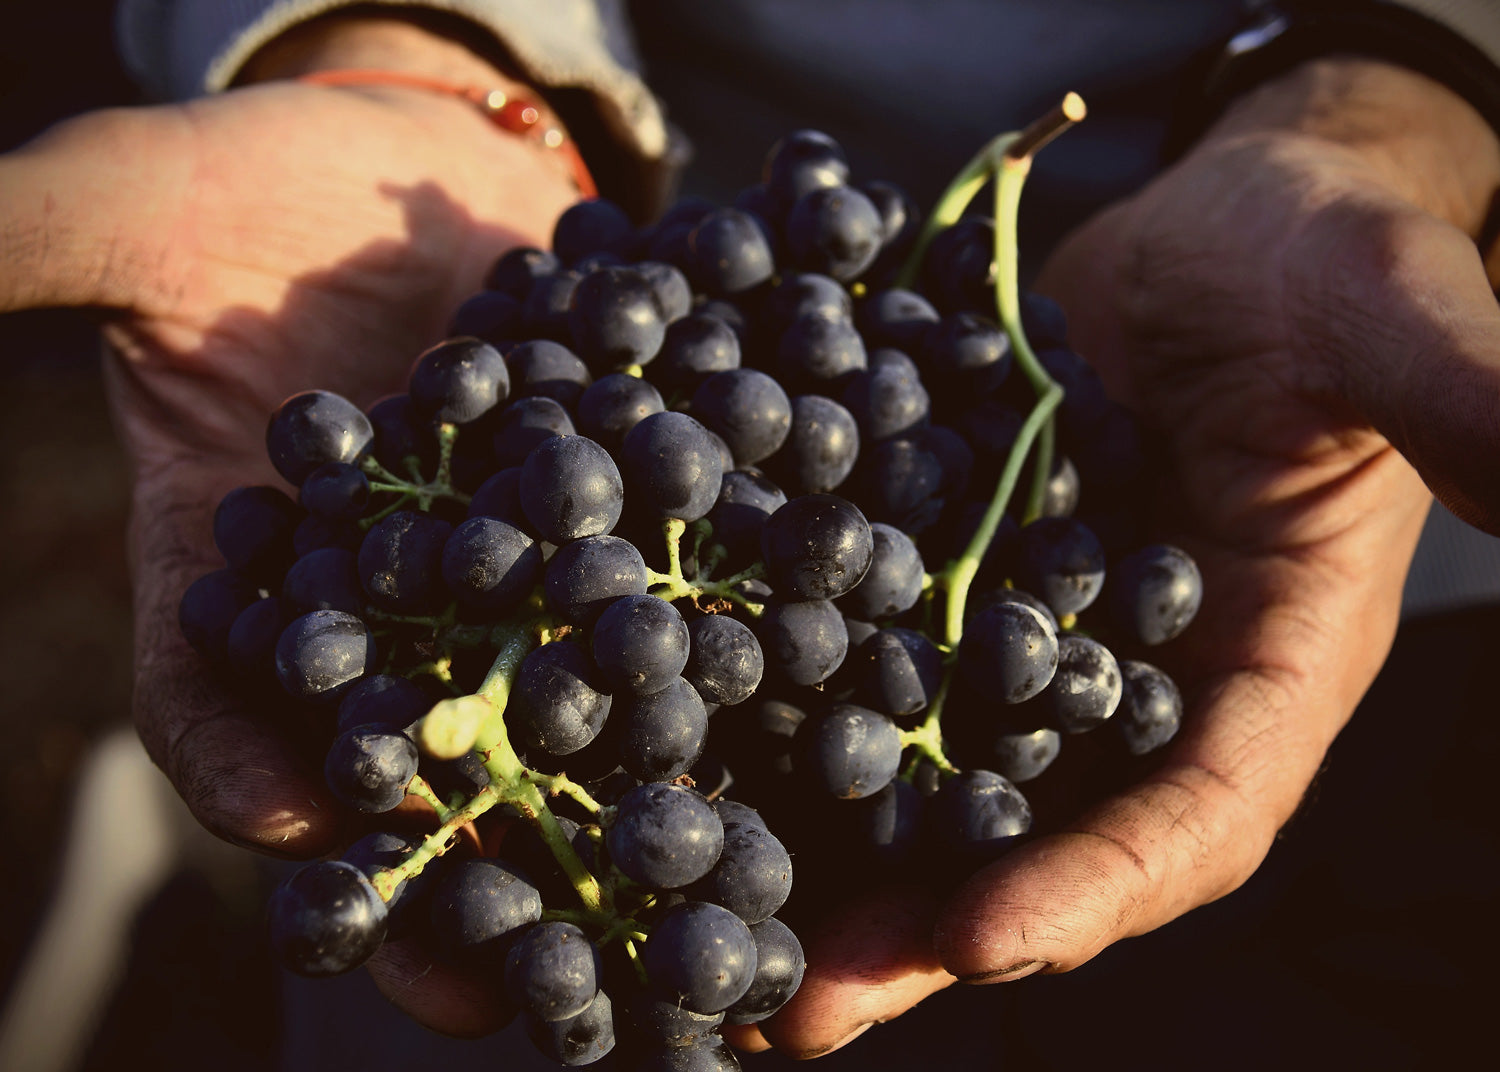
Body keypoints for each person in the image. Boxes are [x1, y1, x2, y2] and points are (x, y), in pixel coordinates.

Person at [3, 0, 1497, 1062]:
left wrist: (1412, 84)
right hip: (648, 197)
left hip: (1317, 506)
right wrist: (392, 38)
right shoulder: (641, 466)